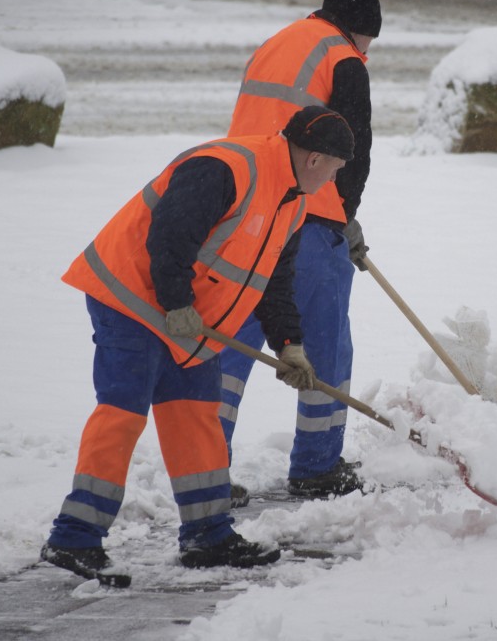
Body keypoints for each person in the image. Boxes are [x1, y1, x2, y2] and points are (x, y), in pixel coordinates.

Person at [40, 106, 355, 578]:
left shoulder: (291, 201)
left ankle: (208, 535)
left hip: (188, 319)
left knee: (196, 417)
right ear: (315, 158)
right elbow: (171, 235)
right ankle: (73, 538)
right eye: (335, 168)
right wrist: (176, 302)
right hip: (131, 301)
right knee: (123, 412)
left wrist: (288, 344)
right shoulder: (227, 167)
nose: (333, 179)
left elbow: (275, 281)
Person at [218, 0, 380, 500]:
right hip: (309, 217)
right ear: (362, 30)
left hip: (243, 208)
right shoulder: (343, 59)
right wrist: (344, 219)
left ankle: (204, 467)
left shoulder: (276, 43)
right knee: (325, 339)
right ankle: (316, 467)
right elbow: (352, 149)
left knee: (232, 338)